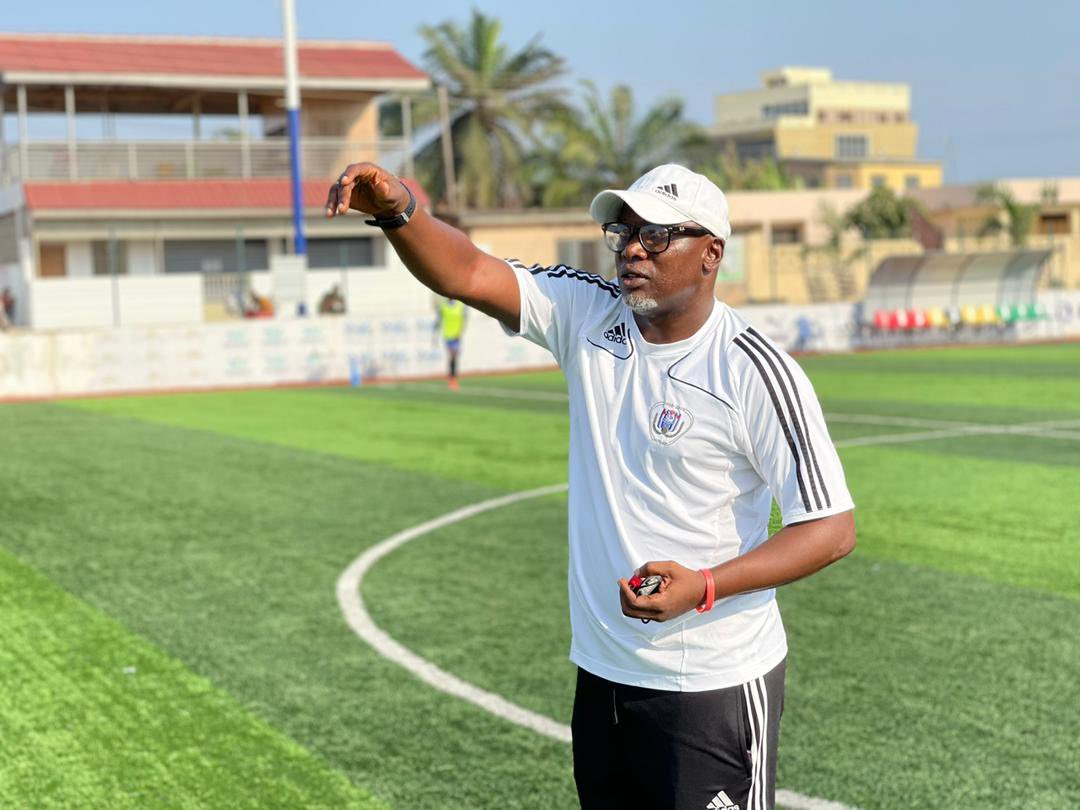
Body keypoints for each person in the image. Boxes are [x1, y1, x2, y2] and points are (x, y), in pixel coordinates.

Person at [327, 162, 856, 810]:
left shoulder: (753, 370)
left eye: (656, 235)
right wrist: (399, 211)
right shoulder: (587, 312)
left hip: (711, 684)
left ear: (711, 253)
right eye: (623, 232)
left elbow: (831, 528)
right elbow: (466, 272)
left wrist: (704, 586)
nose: (632, 249)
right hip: (604, 676)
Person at [436, 296, 467, 390]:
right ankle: (452, 378)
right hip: (447, 335)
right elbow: (439, 319)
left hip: (456, 336)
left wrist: (460, 332)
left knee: (454, 356)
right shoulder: (443, 305)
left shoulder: (460, 305)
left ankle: (452, 377)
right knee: (452, 356)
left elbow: (464, 319)